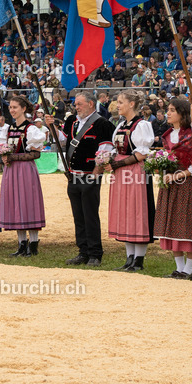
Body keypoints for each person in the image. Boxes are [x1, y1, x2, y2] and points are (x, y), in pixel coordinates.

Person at [45, 90, 115, 267]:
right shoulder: (71, 121)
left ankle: (95, 253)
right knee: (78, 217)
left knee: (90, 216)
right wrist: (51, 127)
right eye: (75, 104)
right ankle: (83, 251)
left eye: (79, 104)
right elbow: (63, 140)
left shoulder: (103, 124)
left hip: (89, 176)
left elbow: (104, 151)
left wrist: (95, 175)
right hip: (73, 176)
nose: (76, 107)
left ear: (90, 104)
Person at [155, 97, 192, 280]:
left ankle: (189, 269)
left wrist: (177, 175)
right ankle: (179, 269)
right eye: (168, 110)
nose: (168, 113)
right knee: (171, 224)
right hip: (169, 185)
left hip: (187, 185)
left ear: (182, 113)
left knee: (188, 224)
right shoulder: (167, 135)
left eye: (172, 110)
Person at [105, 91, 156, 272]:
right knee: (125, 211)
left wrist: (118, 163)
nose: (117, 105)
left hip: (136, 172)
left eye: (121, 102)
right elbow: (117, 148)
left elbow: (142, 154)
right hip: (121, 173)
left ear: (132, 104)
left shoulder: (141, 125)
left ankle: (138, 260)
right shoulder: (121, 125)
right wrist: (108, 159)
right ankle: (129, 258)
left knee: (137, 211)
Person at [0, 96, 46, 257]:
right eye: (10, 107)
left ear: (23, 109)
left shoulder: (30, 129)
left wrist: (12, 157)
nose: (12, 110)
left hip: (25, 170)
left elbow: (36, 154)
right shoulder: (8, 128)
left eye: (15, 107)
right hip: (11, 170)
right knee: (15, 203)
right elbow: (3, 147)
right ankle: (21, 244)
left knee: (28, 202)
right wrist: (4, 156)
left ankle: (33, 244)